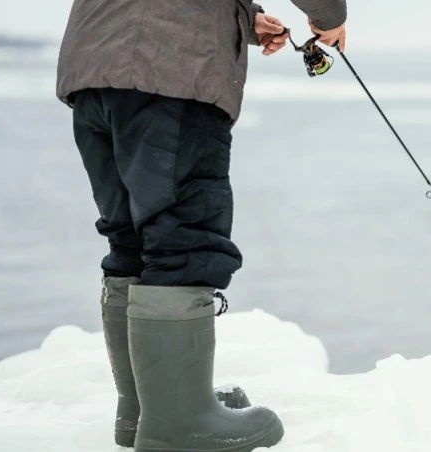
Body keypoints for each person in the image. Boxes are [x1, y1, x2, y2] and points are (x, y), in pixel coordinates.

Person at [56, 1, 347, 450]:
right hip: (170, 69)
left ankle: (145, 409)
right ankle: (177, 423)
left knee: (132, 237)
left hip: (94, 68)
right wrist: (330, 17)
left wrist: (242, 18)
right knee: (181, 239)